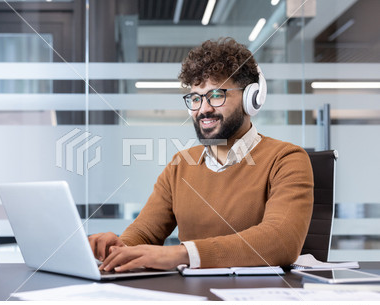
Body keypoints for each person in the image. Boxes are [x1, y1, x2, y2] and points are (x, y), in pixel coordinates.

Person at [89, 37, 314, 271]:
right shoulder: (180, 165)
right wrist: (118, 248)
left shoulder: (287, 159)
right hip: (191, 296)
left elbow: (281, 241)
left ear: (251, 99)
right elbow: (145, 232)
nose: (203, 109)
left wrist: (182, 255)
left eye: (217, 95)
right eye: (196, 98)